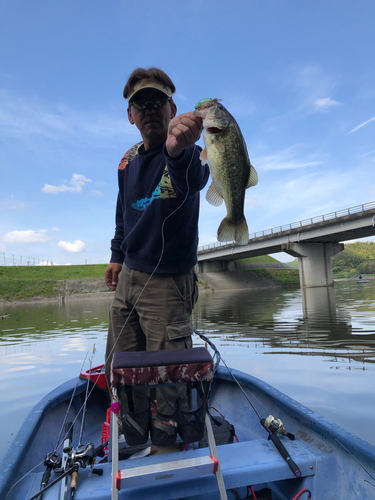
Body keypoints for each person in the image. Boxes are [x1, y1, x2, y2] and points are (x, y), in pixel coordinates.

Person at [104, 67, 209, 438]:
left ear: (172, 108)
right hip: (129, 276)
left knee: (170, 377)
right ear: (130, 115)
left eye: (157, 101)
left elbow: (193, 178)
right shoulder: (127, 161)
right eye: (140, 103)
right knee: (120, 364)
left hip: (168, 283)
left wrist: (177, 152)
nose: (149, 109)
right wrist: (117, 255)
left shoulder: (188, 153)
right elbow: (124, 211)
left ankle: (166, 442)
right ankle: (131, 435)